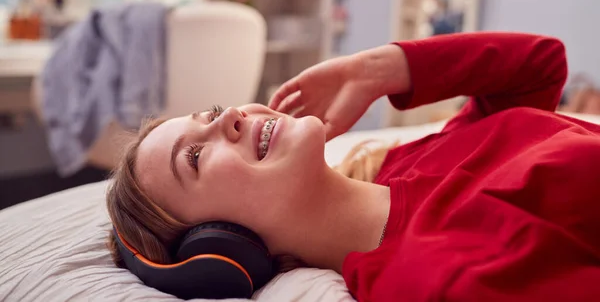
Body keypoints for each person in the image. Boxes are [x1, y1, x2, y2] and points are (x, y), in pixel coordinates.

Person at [106, 32, 600, 301]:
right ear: (216, 241)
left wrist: (376, 69)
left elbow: (540, 65)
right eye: (194, 157)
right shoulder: (436, 281)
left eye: (213, 113)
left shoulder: (407, 162)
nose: (232, 116)